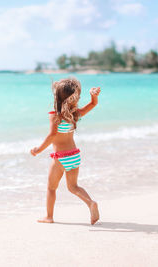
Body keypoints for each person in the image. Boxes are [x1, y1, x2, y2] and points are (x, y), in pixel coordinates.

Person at [31, 77, 100, 225]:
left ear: (58, 97)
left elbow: (52, 135)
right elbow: (93, 104)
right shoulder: (75, 115)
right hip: (74, 155)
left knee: (51, 188)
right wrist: (93, 96)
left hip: (60, 157)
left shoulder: (55, 115)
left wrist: (38, 149)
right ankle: (90, 203)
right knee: (73, 187)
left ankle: (49, 217)